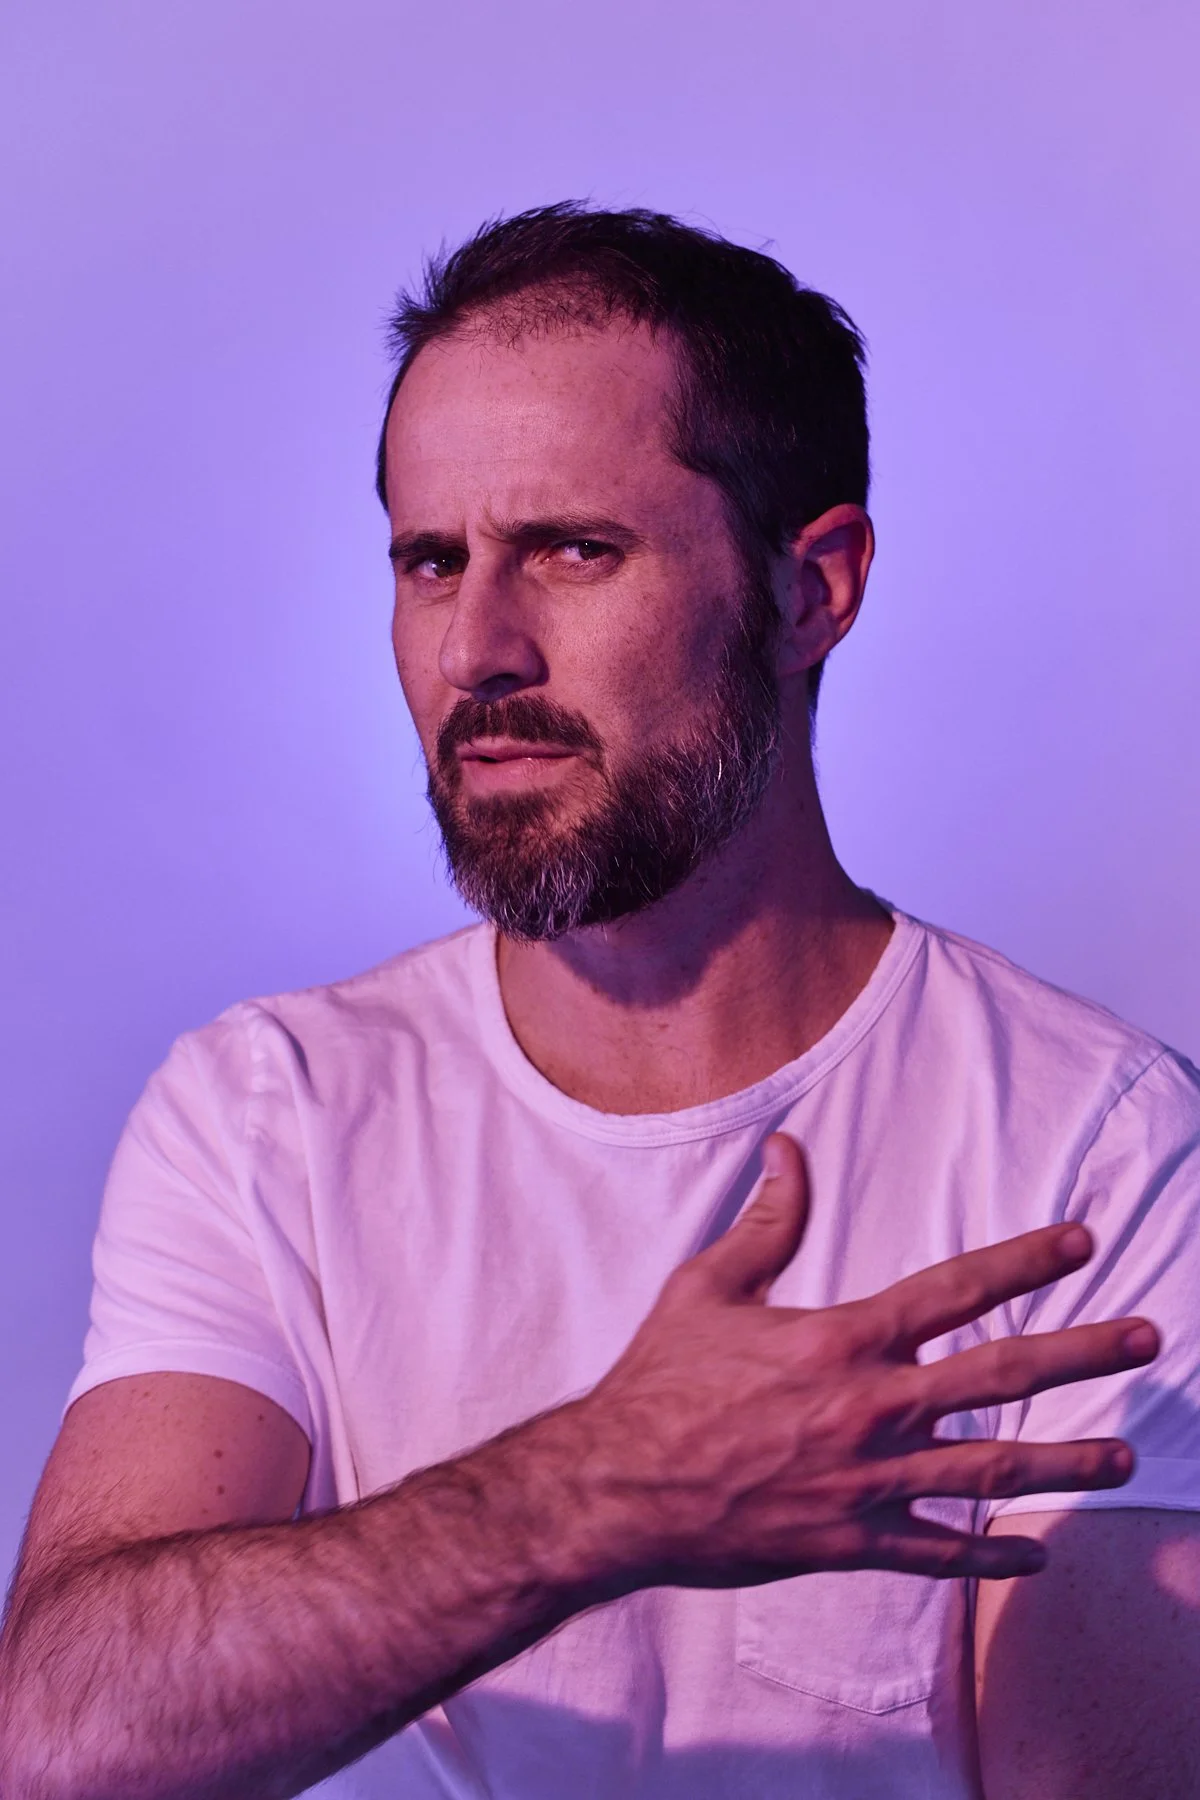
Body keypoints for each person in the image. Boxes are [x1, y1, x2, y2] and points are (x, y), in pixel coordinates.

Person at [2, 202, 1199, 1800]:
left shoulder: (1093, 1151)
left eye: (575, 550)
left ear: (810, 593)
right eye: (433, 561)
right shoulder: (272, 1112)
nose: (478, 648)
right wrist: (595, 1493)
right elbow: (64, 1743)